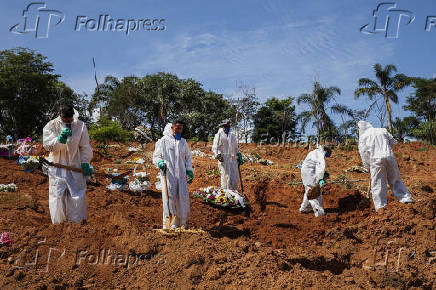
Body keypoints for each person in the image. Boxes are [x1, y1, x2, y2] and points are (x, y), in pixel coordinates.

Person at [43, 104, 93, 224]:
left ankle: (76, 224)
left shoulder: (80, 126)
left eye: (70, 120)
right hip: (57, 167)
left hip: (75, 167)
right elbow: (47, 145)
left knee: (76, 195)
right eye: (65, 120)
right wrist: (59, 140)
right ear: (60, 116)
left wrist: (85, 162)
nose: (68, 122)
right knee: (57, 196)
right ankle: (58, 225)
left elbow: (85, 147)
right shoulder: (51, 125)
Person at [358, 121, 413, 212]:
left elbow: (364, 153)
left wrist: (367, 166)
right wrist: (386, 149)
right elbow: (393, 142)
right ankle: (405, 199)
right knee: (395, 178)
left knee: (378, 183)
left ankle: (381, 207)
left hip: (375, 160)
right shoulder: (382, 130)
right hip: (389, 157)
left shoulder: (363, 137)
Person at [153, 120, 193, 229]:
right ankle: (171, 222)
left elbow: (188, 157)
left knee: (182, 197)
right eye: (177, 128)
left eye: (181, 128)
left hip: (181, 174)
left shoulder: (184, 142)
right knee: (170, 197)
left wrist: (189, 169)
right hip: (168, 173)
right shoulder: (164, 141)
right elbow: (156, 156)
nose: (179, 130)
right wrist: (159, 162)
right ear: (172, 128)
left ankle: (182, 222)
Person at [299, 144, 332, 217]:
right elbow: (320, 169)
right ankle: (319, 213)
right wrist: (319, 181)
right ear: (326, 150)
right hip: (309, 174)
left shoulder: (315, 152)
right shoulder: (320, 154)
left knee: (309, 191)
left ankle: (304, 208)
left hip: (306, 173)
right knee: (315, 193)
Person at [212, 119, 244, 191]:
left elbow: (236, 147)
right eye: (226, 126)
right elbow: (215, 147)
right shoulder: (219, 135)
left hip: (233, 159)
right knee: (225, 178)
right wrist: (218, 155)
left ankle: (234, 195)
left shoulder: (232, 135)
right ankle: (225, 195)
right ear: (223, 126)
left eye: (228, 125)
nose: (227, 127)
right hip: (224, 159)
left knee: (235, 177)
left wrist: (239, 154)